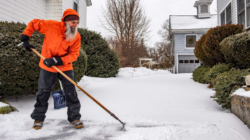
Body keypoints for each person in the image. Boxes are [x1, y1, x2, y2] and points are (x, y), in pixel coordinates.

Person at [20, 9, 83, 130]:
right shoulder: (51, 26)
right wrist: (25, 38)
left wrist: (58, 61)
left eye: (77, 23)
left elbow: (74, 55)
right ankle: (38, 118)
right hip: (47, 67)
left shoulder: (76, 36)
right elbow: (34, 23)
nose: (75, 25)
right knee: (43, 92)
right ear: (65, 21)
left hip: (65, 67)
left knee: (71, 93)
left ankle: (75, 118)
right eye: (72, 22)